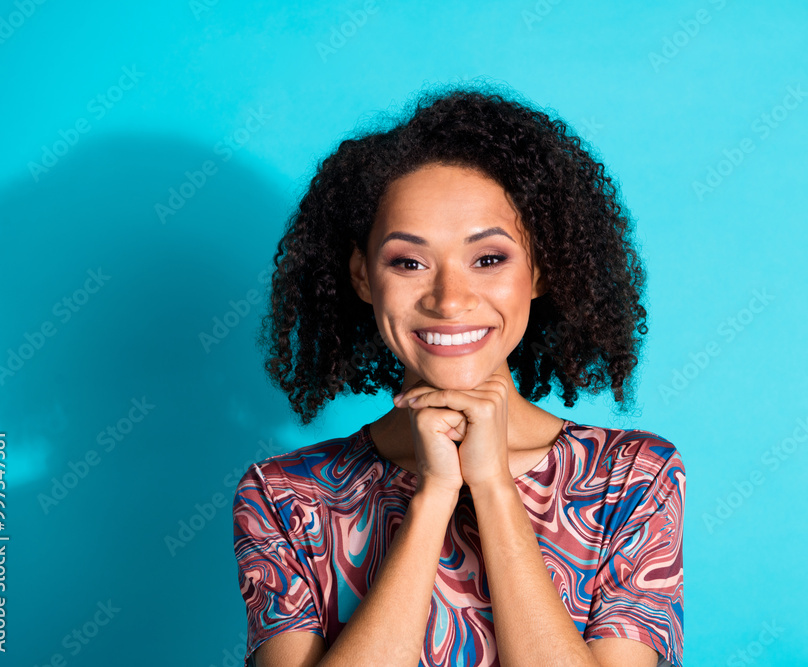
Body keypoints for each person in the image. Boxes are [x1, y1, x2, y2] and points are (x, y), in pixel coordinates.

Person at [232, 83, 686, 667]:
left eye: (489, 258)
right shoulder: (284, 498)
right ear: (364, 276)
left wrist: (493, 486)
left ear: (541, 270)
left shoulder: (633, 480)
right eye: (409, 262)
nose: (450, 300)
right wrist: (435, 496)